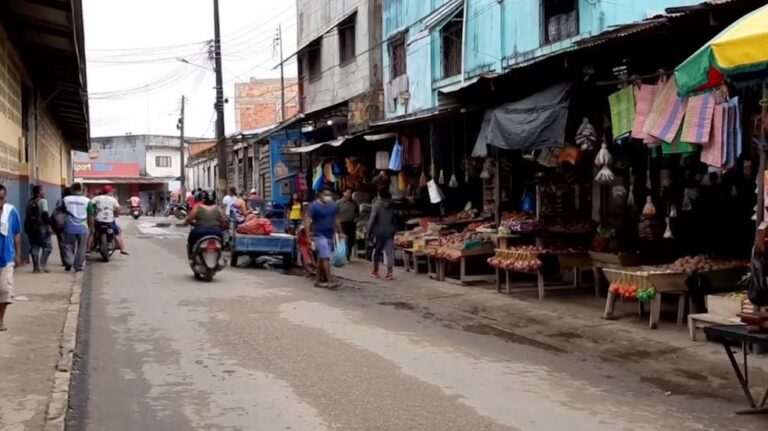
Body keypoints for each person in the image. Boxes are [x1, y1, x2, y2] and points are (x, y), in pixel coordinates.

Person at [305, 187, 343, 288]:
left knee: (322, 257)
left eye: (329, 195)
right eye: (326, 195)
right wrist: (308, 236)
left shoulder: (333, 205)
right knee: (325, 256)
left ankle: (317, 280)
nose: (328, 197)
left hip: (329, 235)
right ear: (320, 195)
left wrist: (340, 232)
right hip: (319, 235)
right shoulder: (314, 206)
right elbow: (307, 221)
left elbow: (336, 219)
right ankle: (329, 280)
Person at [0, 185, 23, 331]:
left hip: (6, 257)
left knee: (4, 290)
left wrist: (18, 254)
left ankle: (0, 320)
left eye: (1, 198)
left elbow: (17, 233)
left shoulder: (11, 211)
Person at [184, 191, 226, 260]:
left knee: (190, 240)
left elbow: (189, 219)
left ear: (204, 199)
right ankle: (221, 255)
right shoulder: (218, 208)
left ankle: (191, 254)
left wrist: (186, 222)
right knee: (222, 241)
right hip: (216, 232)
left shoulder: (198, 207)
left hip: (199, 232)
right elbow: (223, 220)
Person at [367, 188, 397, 280]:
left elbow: (372, 220)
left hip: (379, 232)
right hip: (390, 231)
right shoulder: (392, 205)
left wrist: (369, 233)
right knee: (389, 252)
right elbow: (395, 218)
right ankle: (390, 272)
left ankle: (375, 271)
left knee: (377, 251)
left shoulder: (376, 205)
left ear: (379, 195)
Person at [91, 185, 129, 255]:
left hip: (98, 220)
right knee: (117, 233)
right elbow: (118, 209)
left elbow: (90, 205)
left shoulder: (97, 198)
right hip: (109, 221)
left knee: (93, 232)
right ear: (109, 192)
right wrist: (117, 213)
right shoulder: (113, 199)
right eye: (111, 191)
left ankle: (89, 248)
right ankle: (122, 249)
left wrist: (93, 211)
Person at [63, 183, 90, 272]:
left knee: (68, 245)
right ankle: (78, 266)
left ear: (72, 189)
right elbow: (91, 215)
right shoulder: (87, 201)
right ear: (81, 190)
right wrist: (92, 227)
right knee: (81, 247)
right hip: (83, 227)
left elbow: (61, 212)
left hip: (69, 227)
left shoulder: (66, 199)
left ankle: (69, 261)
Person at [25, 185, 52, 273]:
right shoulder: (43, 201)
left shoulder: (30, 202)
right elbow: (45, 214)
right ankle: (42, 265)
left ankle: (35, 267)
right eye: (42, 190)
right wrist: (49, 225)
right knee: (48, 246)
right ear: (39, 192)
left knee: (35, 246)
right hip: (42, 227)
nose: (44, 192)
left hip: (32, 228)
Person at [336, 188, 359, 261]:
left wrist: (356, 218)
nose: (349, 194)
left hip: (351, 223)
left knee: (351, 241)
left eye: (350, 193)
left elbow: (357, 213)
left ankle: (348, 255)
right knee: (343, 240)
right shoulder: (338, 203)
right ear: (344, 193)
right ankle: (343, 256)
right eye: (347, 193)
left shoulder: (354, 203)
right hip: (341, 224)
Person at [54, 187, 70, 266]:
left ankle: (65, 261)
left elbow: (56, 212)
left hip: (60, 224)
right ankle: (70, 259)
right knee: (70, 243)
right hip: (69, 224)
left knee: (62, 243)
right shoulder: (71, 201)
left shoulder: (60, 201)